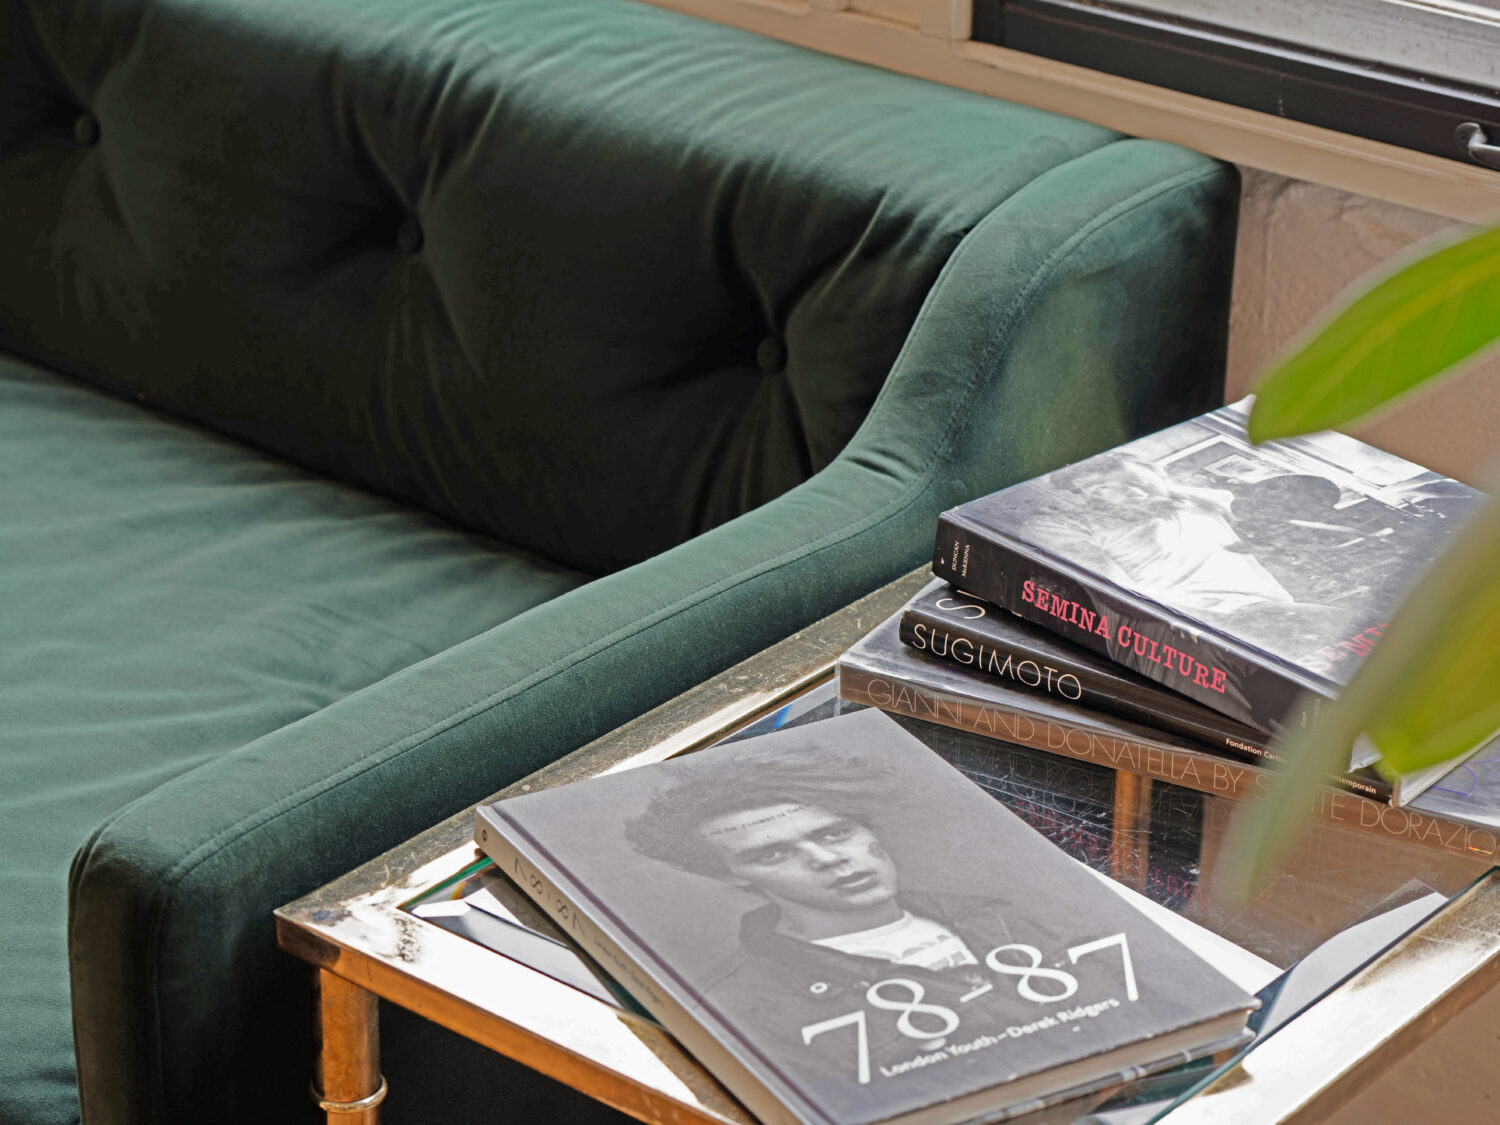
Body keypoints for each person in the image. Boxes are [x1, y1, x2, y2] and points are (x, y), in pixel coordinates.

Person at [624, 747, 1027, 1071]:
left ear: (867, 828)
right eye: (773, 853)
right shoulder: (746, 1006)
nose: (828, 859)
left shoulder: (994, 916)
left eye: (835, 833)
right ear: (731, 876)